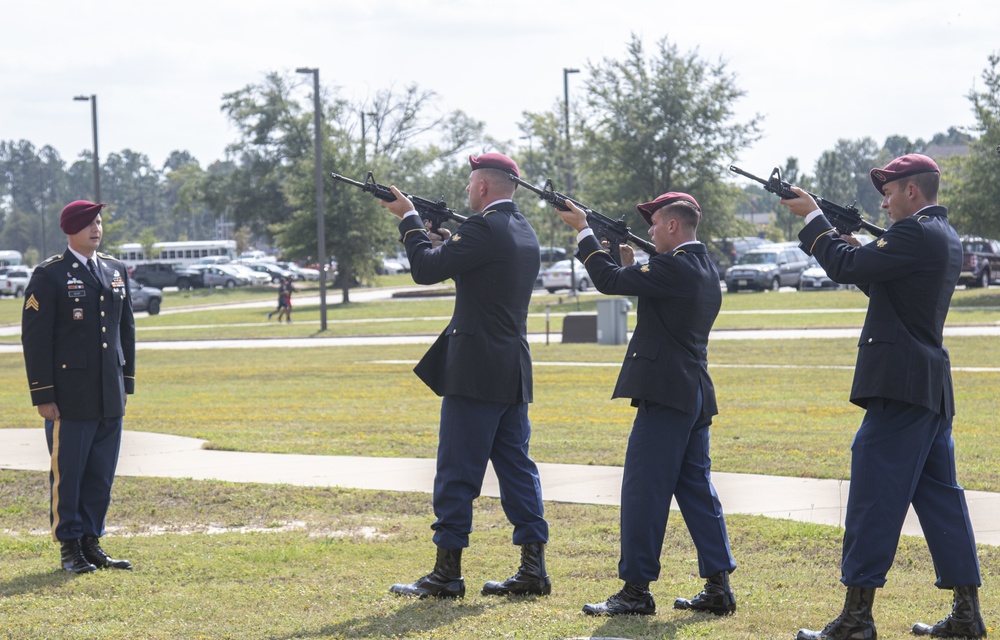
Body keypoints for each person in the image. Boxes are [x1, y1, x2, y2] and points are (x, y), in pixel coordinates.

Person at [781, 154, 985, 640]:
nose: (883, 199)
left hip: (901, 384)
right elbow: (887, 285)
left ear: (912, 191)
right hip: (927, 386)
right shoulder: (941, 235)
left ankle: (856, 619)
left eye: (889, 191)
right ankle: (966, 614)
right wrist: (857, 250)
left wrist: (814, 219)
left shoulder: (913, 233)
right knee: (941, 501)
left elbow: (843, 267)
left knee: (873, 496)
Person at [556, 193, 737, 617]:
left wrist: (583, 231)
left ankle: (636, 591)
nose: (650, 230)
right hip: (692, 392)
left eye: (655, 223)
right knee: (695, 490)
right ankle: (718, 586)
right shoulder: (703, 266)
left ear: (673, 226)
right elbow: (645, 284)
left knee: (643, 491)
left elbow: (610, 282)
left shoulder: (673, 266)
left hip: (666, 393)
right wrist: (630, 262)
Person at [379, 153, 550, 599]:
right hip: (511, 366)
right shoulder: (521, 230)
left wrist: (410, 221)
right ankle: (533, 567)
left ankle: (446, 572)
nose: (468, 191)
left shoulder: (482, 228)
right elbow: (469, 267)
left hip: (476, 369)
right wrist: (438, 238)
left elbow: (426, 270)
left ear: (483, 188)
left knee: (456, 469)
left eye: (471, 184)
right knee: (517, 469)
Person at [21, 200, 135, 574]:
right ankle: (69, 545)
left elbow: (125, 330)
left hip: (108, 392)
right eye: (88, 224)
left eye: (99, 222)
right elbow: (36, 340)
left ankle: (91, 540)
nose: (96, 229)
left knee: (101, 473)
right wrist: (43, 394)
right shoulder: (50, 275)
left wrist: (126, 382)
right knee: (69, 473)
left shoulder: (115, 270)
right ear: (70, 229)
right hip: (70, 396)